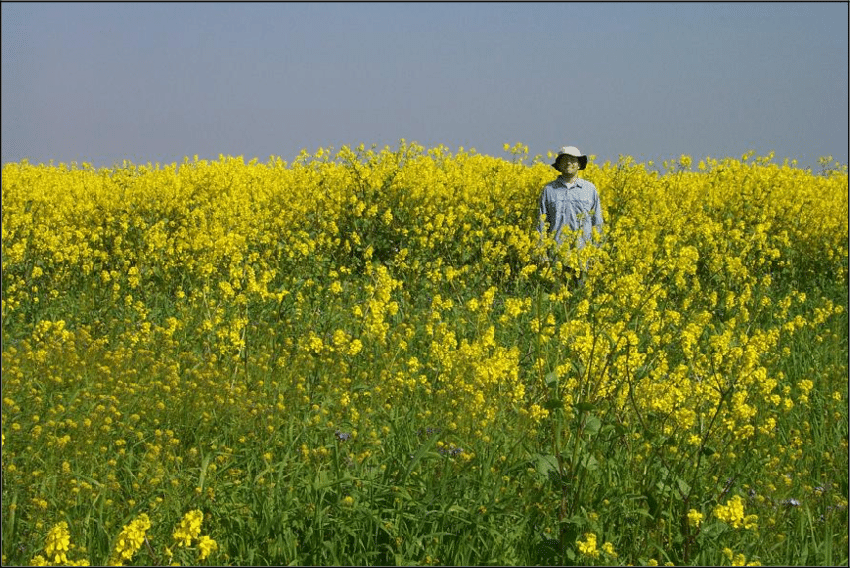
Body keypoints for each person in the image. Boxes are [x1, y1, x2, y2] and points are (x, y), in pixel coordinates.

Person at [537, 145, 605, 280]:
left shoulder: (590, 189)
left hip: (582, 255)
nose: (569, 163)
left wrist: (596, 253)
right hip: (555, 256)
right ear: (559, 165)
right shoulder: (549, 190)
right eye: (564, 160)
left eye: (573, 160)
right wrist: (542, 253)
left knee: (580, 297)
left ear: (579, 164)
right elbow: (541, 224)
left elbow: (597, 223)